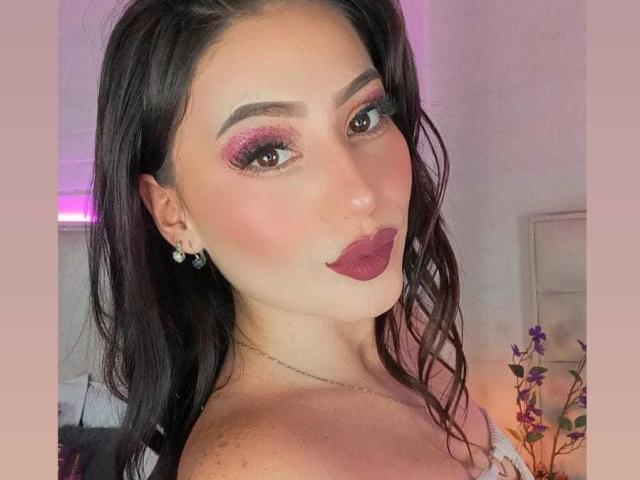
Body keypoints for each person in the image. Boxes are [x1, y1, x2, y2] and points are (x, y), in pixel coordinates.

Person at [88, 1, 534, 479]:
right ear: (173, 214)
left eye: (364, 118)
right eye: (269, 154)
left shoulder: (408, 336)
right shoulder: (256, 466)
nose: (361, 194)